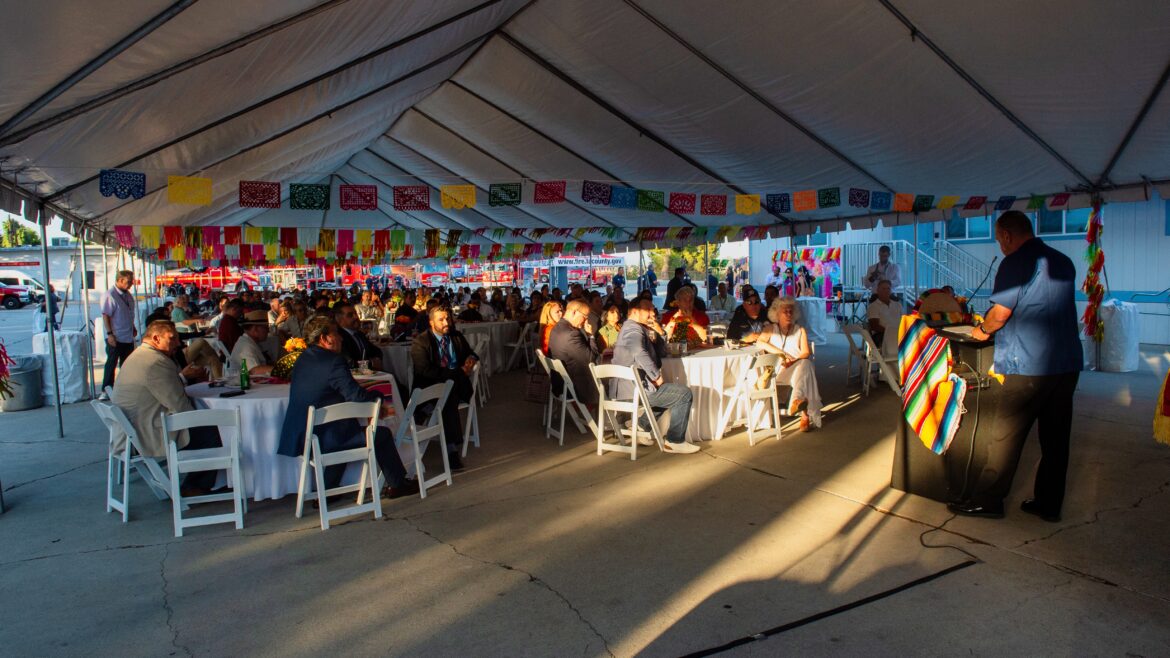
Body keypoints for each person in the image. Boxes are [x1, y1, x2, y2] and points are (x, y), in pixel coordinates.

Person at [950, 211, 1082, 521]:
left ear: (1008, 236)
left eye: (999, 240)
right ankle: (1048, 505)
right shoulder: (1063, 261)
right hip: (1066, 364)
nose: (1000, 246)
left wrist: (980, 331)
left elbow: (1000, 314)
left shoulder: (1016, 262)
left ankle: (988, 500)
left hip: (1029, 365)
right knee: (1056, 440)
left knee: (1005, 437)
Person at [277, 316, 417, 498]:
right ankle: (397, 484)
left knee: (344, 430)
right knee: (380, 435)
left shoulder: (302, 358)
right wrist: (379, 399)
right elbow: (355, 395)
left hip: (302, 433)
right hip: (326, 436)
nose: (341, 338)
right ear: (324, 339)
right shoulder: (334, 361)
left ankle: (328, 491)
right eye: (336, 334)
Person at [110, 320, 220, 494]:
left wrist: (182, 379)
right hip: (145, 432)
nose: (178, 343)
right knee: (212, 430)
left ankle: (201, 481)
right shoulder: (156, 362)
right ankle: (195, 486)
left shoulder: (141, 354)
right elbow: (181, 407)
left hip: (131, 428)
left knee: (205, 426)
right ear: (156, 338)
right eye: (172, 339)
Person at [611, 298, 699, 454]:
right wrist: (655, 375)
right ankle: (675, 440)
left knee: (669, 393)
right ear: (635, 311)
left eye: (653, 309)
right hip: (633, 390)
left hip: (631, 388)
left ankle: (641, 425)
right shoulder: (633, 329)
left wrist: (659, 331)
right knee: (683, 394)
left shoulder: (638, 328)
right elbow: (638, 351)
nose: (653, 312)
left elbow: (662, 351)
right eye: (648, 309)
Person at [411, 306, 479, 470]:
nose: (446, 322)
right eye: (441, 319)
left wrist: (470, 359)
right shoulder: (421, 341)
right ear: (431, 322)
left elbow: (472, 353)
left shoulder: (456, 337)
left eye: (447, 318)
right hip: (431, 386)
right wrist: (456, 373)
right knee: (447, 395)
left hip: (458, 387)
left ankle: (428, 413)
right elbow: (425, 371)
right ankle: (451, 450)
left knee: (449, 394)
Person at [758, 297, 823, 431]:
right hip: (777, 372)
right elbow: (760, 342)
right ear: (777, 314)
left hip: (796, 368)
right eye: (784, 312)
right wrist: (781, 355)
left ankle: (797, 401)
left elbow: (805, 352)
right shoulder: (770, 328)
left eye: (790, 311)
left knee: (805, 364)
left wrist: (792, 361)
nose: (788, 314)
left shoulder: (800, 330)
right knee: (807, 368)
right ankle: (803, 413)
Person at [548, 300, 600, 405]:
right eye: (585, 316)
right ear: (574, 312)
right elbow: (591, 359)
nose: (586, 320)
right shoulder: (571, 334)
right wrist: (591, 336)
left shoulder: (556, 328)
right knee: (612, 380)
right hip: (573, 386)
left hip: (559, 382)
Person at [99, 270, 138, 398]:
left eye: (131, 282)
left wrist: (132, 326)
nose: (131, 284)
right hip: (115, 335)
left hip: (127, 335)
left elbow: (127, 313)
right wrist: (110, 334)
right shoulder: (110, 295)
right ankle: (106, 389)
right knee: (112, 362)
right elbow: (106, 316)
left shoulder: (127, 295)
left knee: (127, 363)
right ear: (120, 280)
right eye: (128, 282)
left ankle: (125, 387)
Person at [334, 302, 383, 371]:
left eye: (355, 313)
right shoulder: (339, 337)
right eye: (350, 315)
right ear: (340, 320)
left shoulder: (359, 334)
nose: (356, 317)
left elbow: (376, 350)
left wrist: (376, 359)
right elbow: (349, 362)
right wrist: (371, 363)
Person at [228, 310, 274, 375]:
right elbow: (255, 370)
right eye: (266, 328)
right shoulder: (245, 345)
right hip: (241, 384)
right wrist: (280, 369)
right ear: (255, 329)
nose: (268, 331)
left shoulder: (250, 342)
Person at [866, 280, 902, 357]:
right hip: (881, 335)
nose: (886, 291)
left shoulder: (897, 305)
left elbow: (903, 320)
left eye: (888, 288)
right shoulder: (873, 306)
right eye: (883, 288)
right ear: (877, 290)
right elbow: (874, 326)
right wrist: (891, 331)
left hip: (899, 333)